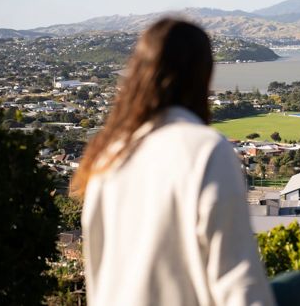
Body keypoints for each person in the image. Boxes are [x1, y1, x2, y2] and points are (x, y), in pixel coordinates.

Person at [71, 18, 277, 305]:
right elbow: (238, 283)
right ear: (202, 75)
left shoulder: (107, 156)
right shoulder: (206, 150)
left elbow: (97, 271)